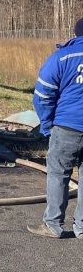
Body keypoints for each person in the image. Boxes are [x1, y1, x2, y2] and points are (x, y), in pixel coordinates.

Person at [28, 18, 83, 238]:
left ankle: (53, 224)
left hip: (66, 127)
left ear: (76, 33)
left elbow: (42, 95)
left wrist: (47, 123)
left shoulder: (62, 57)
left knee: (58, 174)